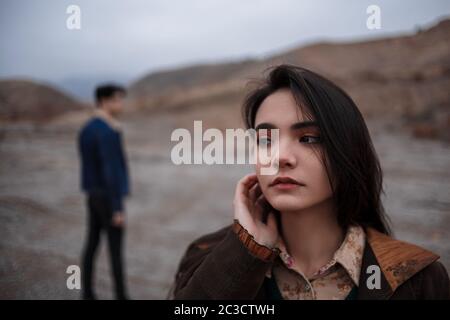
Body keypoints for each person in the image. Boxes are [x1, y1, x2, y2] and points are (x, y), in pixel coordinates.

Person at [169, 65, 450, 300]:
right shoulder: (204, 258)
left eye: (309, 139)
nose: (280, 157)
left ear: (348, 152)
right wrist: (246, 251)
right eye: (266, 140)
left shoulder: (417, 278)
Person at [78, 84, 130, 300]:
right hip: (108, 198)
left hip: (93, 195)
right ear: (105, 101)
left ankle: (87, 294)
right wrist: (117, 207)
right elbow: (111, 170)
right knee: (115, 250)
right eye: (118, 100)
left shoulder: (87, 128)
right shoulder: (107, 132)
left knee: (91, 244)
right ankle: (121, 296)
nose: (121, 104)